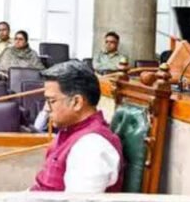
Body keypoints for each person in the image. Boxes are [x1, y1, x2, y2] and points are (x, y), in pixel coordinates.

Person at [31, 61, 123, 193]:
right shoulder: (69, 130)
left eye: (51, 101)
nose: (47, 108)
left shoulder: (91, 146)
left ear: (76, 102)